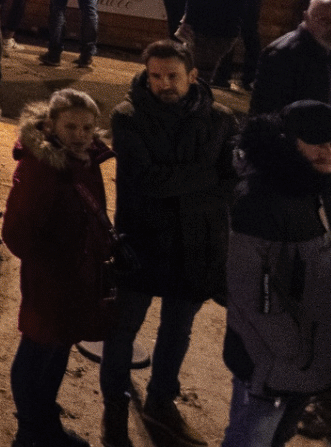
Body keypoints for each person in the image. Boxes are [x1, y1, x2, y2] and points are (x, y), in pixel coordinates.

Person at [99, 39, 234, 447]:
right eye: (155, 76)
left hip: (197, 245)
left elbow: (231, 182)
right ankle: (115, 403)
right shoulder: (127, 117)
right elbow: (147, 180)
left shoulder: (222, 119)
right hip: (141, 242)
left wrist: (195, 181)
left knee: (178, 330)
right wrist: (204, 177)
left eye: (172, 75)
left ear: (192, 76)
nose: (163, 84)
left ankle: (161, 400)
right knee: (122, 331)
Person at [218, 101, 331, 447]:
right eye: (315, 141)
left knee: (276, 436)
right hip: (270, 364)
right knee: (252, 437)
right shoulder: (261, 200)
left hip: (310, 358)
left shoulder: (322, 189)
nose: (327, 150)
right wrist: (301, 357)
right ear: (287, 140)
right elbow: (252, 298)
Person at [3, 88, 113, 447]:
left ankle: (45, 423)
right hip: (51, 278)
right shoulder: (41, 166)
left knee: (59, 346)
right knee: (37, 351)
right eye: (70, 127)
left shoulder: (86, 159)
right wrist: (56, 260)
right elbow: (17, 234)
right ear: (51, 125)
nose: (80, 135)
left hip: (78, 275)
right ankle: (29, 432)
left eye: (87, 127)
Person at [249, 0, 331, 115]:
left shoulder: (329, 49)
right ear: (306, 17)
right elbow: (267, 113)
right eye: (324, 21)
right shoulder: (282, 55)